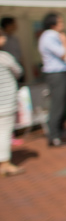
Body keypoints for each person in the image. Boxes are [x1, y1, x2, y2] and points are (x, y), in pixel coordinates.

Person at [38, 12, 66, 147]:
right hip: (56, 74)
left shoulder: (51, 36)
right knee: (57, 104)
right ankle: (54, 136)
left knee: (62, 103)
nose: (62, 25)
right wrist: (65, 42)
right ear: (53, 24)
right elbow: (64, 54)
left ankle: (60, 133)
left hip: (60, 73)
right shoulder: (49, 37)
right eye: (60, 22)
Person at [0, 31, 24, 176]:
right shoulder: (5, 57)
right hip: (5, 102)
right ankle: (5, 163)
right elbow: (18, 71)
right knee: (4, 132)